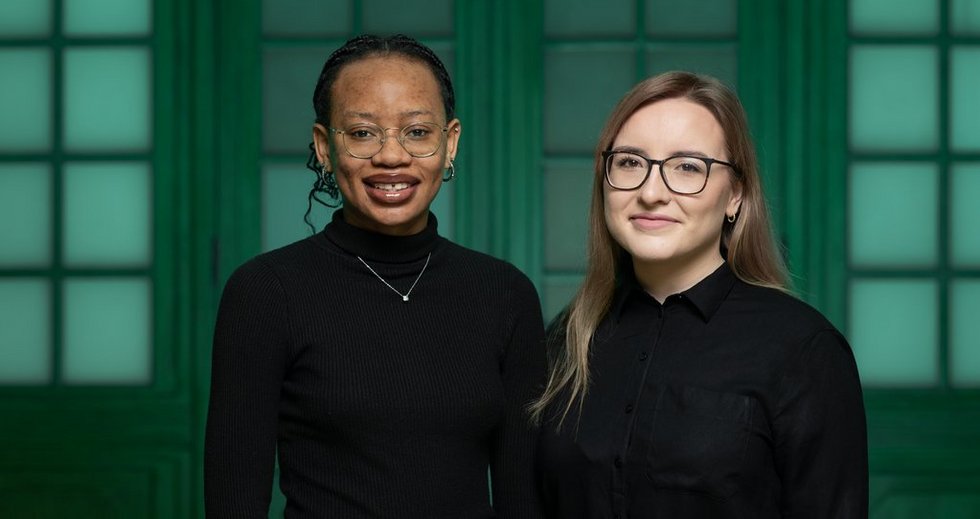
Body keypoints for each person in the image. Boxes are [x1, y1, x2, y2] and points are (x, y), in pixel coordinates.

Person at [205, 34, 546, 518]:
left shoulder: (505, 294)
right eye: (363, 133)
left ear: (449, 143)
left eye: (416, 132)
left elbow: (522, 498)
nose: (391, 156)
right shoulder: (265, 292)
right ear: (324, 147)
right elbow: (233, 499)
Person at [533, 71, 868, 518]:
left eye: (688, 167)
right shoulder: (567, 338)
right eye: (630, 162)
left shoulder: (803, 351)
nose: (651, 192)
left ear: (736, 195)